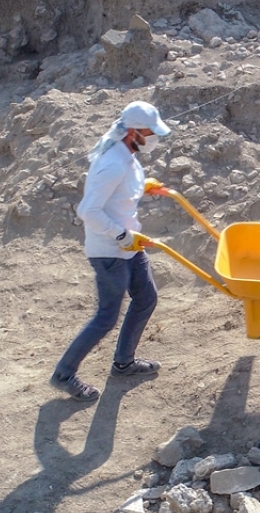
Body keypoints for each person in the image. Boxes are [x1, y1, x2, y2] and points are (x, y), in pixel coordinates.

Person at [51, 100, 171, 401]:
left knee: (146, 298)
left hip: (128, 243)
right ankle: (63, 374)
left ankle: (124, 363)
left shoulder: (127, 155)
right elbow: (88, 210)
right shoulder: (112, 162)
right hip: (109, 250)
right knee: (106, 316)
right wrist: (121, 235)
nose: (154, 137)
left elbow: (120, 191)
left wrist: (144, 186)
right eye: (150, 132)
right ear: (132, 131)